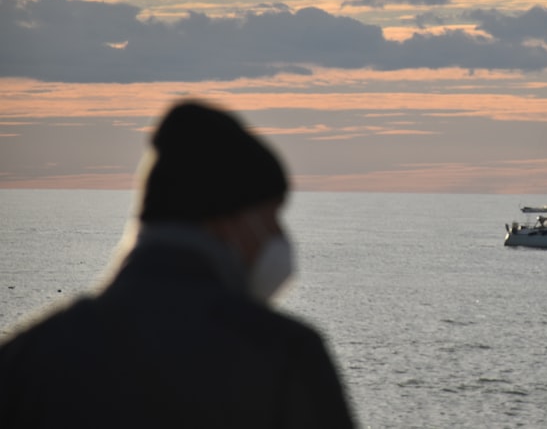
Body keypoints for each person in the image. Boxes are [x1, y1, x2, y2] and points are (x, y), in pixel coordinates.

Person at [0, 101, 355, 428]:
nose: (278, 234)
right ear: (228, 219)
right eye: (272, 215)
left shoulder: (30, 356)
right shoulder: (283, 356)